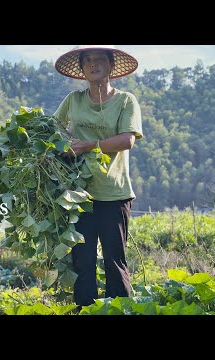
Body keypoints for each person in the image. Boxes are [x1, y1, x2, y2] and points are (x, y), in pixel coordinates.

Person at [53, 45, 143, 306]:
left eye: (100, 60)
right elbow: (53, 131)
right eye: (88, 61)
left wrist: (89, 145)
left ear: (111, 67)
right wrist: (62, 148)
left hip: (114, 193)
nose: (94, 65)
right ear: (81, 70)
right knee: (82, 261)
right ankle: (85, 309)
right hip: (79, 195)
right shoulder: (73, 100)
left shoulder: (125, 100)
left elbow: (127, 140)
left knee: (115, 260)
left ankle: (119, 309)